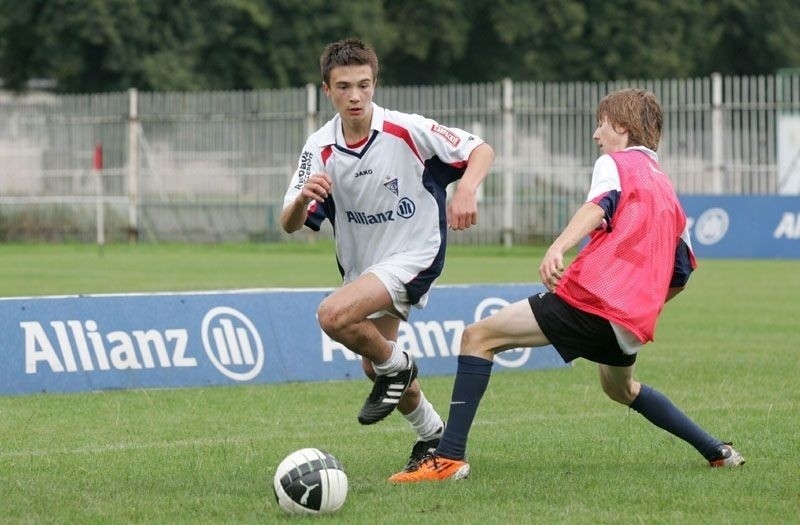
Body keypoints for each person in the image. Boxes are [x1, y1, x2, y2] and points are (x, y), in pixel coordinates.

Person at [390, 88, 744, 483]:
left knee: (477, 337)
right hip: (629, 323)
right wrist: (638, 303)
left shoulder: (617, 162)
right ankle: (718, 451)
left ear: (622, 129)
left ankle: (449, 457)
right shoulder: (669, 194)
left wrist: (558, 246)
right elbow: (681, 273)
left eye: (602, 125)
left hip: (591, 301)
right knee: (621, 390)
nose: (596, 134)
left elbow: (598, 205)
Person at [280, 37, 494, 474]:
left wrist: (467, 189)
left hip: (416, 252)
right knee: (373, 364)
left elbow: (480, 149)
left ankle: (399, 367)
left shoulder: (406, 129)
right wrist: (303, 199)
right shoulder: (319, 148)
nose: (355, 96)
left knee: (333, 316)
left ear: (375, 82)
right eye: (343, 87)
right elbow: (288, 222)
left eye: (363, 85)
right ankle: (436, 439)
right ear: (327, 90)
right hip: (367, 267)